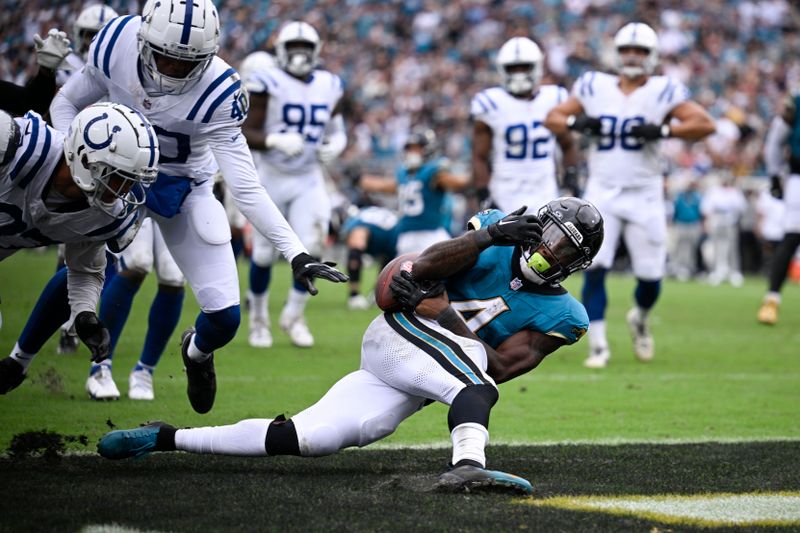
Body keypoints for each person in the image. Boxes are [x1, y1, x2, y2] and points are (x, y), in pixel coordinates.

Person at [97, 197, 603, 494]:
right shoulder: (493, 233)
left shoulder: (567, 316)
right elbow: (421, 270)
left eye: (563, 249)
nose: (546, 250)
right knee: (472, 376)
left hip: (424, 369)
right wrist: (488, 235)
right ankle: (467, 465)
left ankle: (165, 437)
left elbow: (502, 366)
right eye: (547, 236)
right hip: (399, 335)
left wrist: (443, 312)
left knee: (310, 437)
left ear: (576, 264)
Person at [40, 0, 347, 414]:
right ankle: (28, 358)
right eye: (165, 57)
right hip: (114, 180)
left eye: (187, 63)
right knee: (100, 264)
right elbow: (64, 104)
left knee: (225, 318)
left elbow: (246, 186)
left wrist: (295, 252)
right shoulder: (117, 41)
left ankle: (196, 354)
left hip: (184, 189)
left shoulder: (220, 89)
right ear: (146, 40)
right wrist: (74, 161)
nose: (173, 71)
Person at [544, 22, 715, 368]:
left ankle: (640, 316)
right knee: (596, 267)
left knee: (650, 277)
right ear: (617, 54)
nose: (632, 56)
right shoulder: (595, 85)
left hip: (645, 192)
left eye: (639, 51)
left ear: (651, 56)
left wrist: (665, 129)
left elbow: (704, 124)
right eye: (626, 50)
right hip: (603, 189)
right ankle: (599, 346)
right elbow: (554, 118)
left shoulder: (664, 90)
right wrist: (579, 124)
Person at [0, 102, 159, 393]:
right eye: (119, 177)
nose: (123, 191)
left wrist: (84, 314)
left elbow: (85, 268)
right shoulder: (18, 145)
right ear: (86, 159)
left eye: (130, 181)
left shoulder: (103, 213)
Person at [241, 21, 348, 349]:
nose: (299, 56)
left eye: (305, 49)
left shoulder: (330, 84)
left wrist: (338, 143)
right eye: (293, 48)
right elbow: (246, 131)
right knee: (262, 254)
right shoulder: (267, 80)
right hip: (272, 174)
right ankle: (258, 319)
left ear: (315, 52)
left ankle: (294, 314)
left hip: (308, 177)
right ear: (281, 52)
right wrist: (273, 140)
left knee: (313, 247)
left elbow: (337, 126)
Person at [471, 36, 579, 214]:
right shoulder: (490, 103)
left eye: (524, 67)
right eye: (513, 68)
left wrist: (571, 179)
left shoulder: (554, 98)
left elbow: (567, 144)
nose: (519, 73)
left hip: (546, 193)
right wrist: (484, 193)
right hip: (505, 193)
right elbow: (479, 156)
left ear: (537, 67)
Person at [360, 128, 469, 255]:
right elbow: (386, 186)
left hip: (423, 235)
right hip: (416, 236)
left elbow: (454, 183)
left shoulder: (430, 172)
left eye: (416, 148)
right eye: (410, 149)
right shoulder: (408, 173)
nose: (412, 152)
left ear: (427, 149)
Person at [757, 102, 800, 325]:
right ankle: (772, 298)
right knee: (793, 237)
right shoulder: (796, 103)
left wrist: (774, 174)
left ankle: (772, 299)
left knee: (791, 238)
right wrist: (774, 174)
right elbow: (776, 139)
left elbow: (775, 140)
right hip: (798, 177)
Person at [340, 205, 399, 310]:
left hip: (389, 233)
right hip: (394, 232)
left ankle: (357, 295)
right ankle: (376, 294)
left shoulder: (357, 223)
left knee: (355, 252)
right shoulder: (362, 219)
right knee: (391, 264)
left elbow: (354, 253)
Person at [700, 175, 747, 287]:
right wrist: (707, 222)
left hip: (730, 222)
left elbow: (742, 207)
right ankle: (716, 270)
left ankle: (734, 271)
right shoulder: (714, 191)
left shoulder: (735, 192)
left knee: (732, 247)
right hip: (716, 222)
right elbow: (706, 208)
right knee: (716, 247)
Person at [671, 179, 704, 281]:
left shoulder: (697, 197)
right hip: (681, 223)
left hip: (693, 224)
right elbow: (675, 210)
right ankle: (679, 268)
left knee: (692, 248)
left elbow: (701, 211)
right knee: (680, 247)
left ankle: (690, 268)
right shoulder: (679, 196)